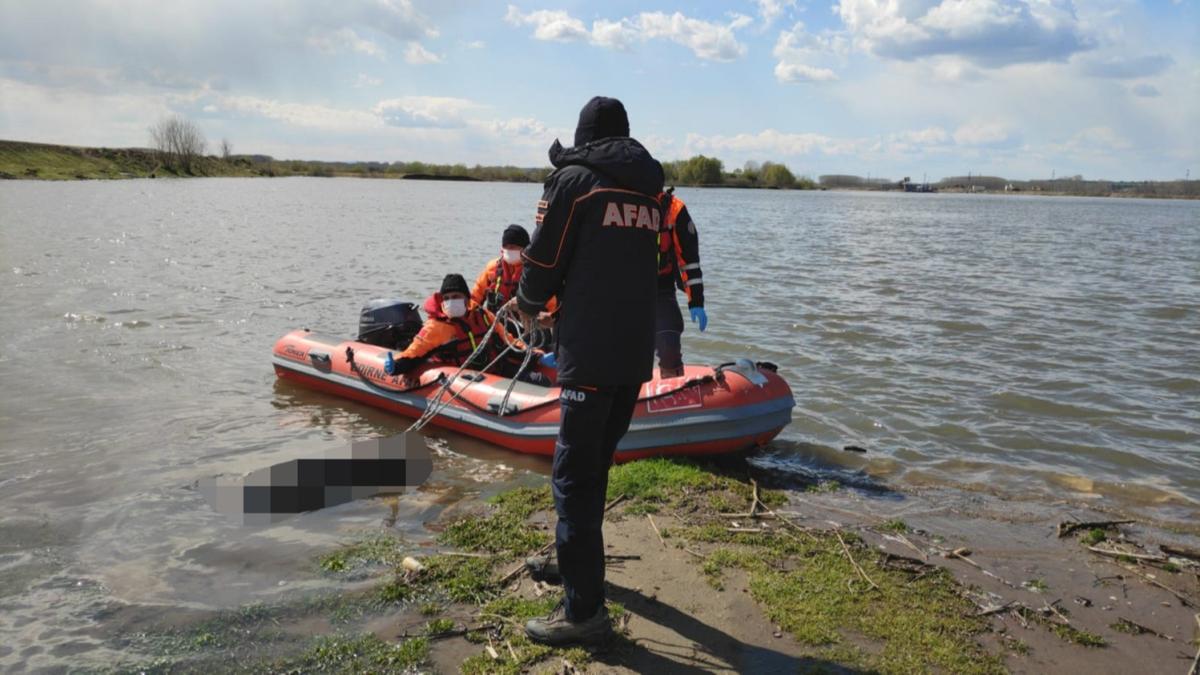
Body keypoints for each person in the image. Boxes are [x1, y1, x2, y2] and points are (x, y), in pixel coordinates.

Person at [510, 96, 664, 645]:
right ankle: (576, 565)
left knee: (573, 479)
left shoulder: (574, 182)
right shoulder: (649, 189)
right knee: (594, 467)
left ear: (584, 135)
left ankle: (583, 613)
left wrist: (527, 304)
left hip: (591, 355)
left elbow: (544, 260)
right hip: (630, 359)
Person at [385, 273, 549, 385]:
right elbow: (415, 352)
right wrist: (397, 365)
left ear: (466, 299)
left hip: (494, 369)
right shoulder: (437, 327)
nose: (451, 301)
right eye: (447, 298)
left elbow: (508, 340)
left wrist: (536, 355)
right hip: (465, 380)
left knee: (540, 380)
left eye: (456, 297)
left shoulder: (482, 314)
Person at [655, 188, 707, 378]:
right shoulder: (613, 200)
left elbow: (689, 260)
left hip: (661, 289)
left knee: (669, 346)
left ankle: (672, 387)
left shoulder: (674, 209)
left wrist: (696, 301)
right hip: (619, 291)